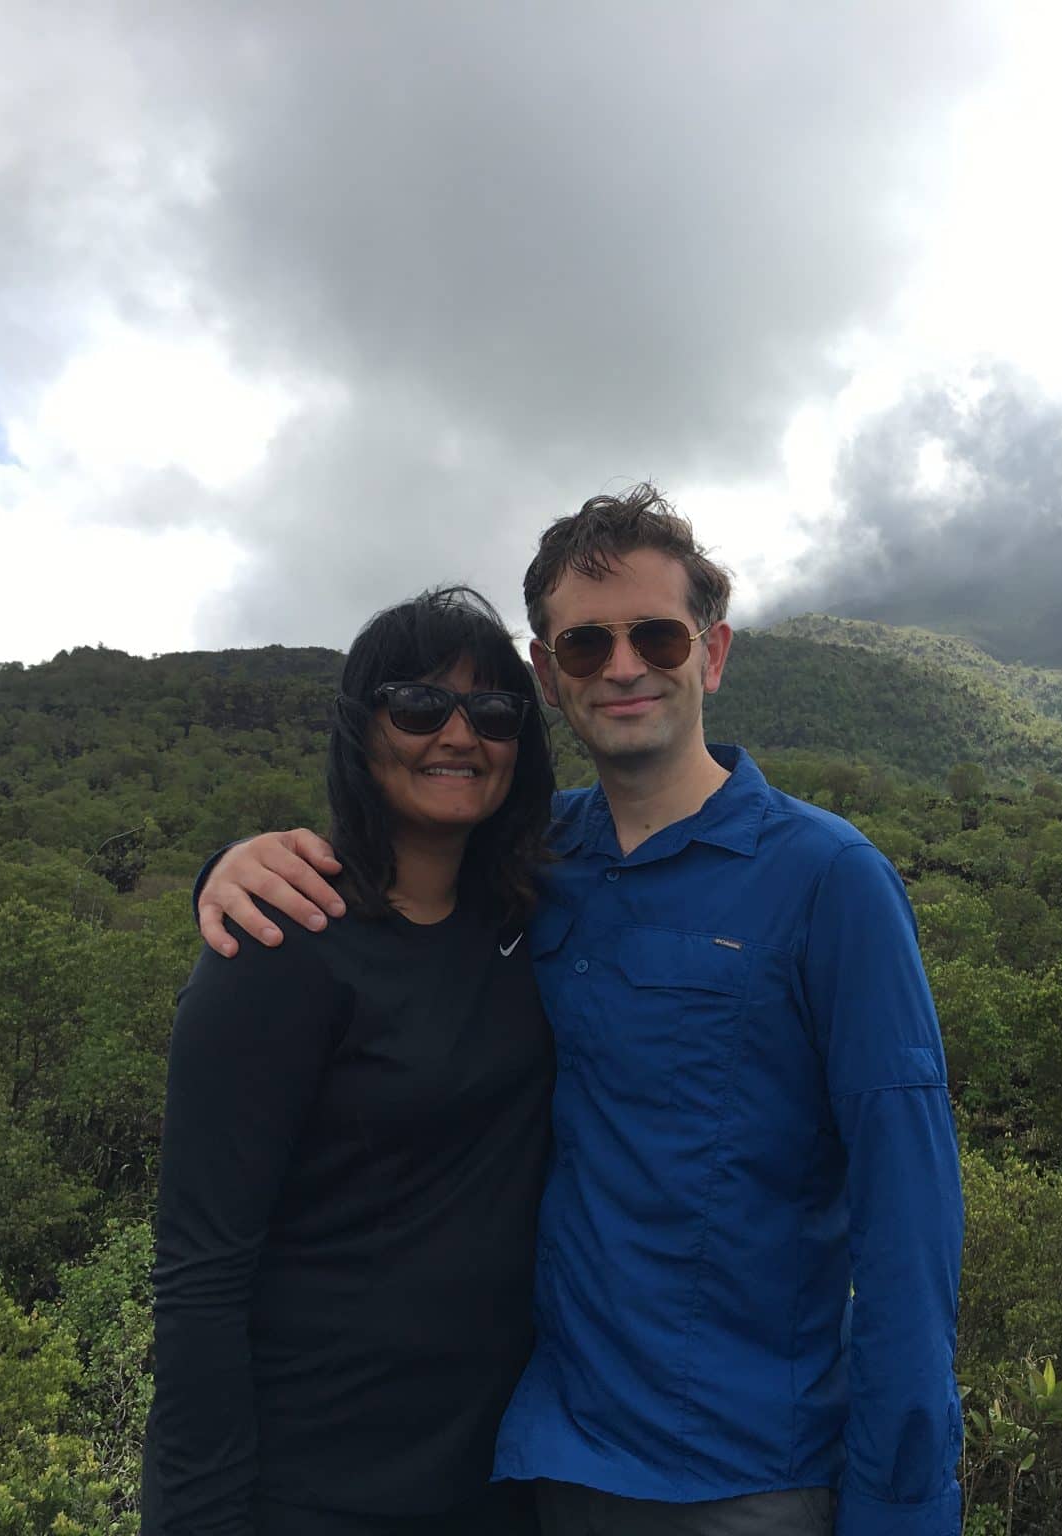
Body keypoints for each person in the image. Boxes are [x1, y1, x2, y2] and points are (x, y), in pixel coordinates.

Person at [197, 487, 966, 1535]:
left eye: (657, 636)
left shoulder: (829, 880)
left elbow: (907, 1224)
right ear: (549, 674)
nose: (623, 666)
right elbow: (387, 884)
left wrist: (902, 1508)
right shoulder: (531, 863)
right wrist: (231, 866)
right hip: (537, 1461)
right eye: (585, 644)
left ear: (712, 654)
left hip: (739, 1479)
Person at [145, 586, 556, 1536]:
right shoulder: (281, 945)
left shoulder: (532, 915)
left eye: (495, 712)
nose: (460, 735)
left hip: (501, 1478)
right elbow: (201, 1271)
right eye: (419, 705)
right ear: (359, 730)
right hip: (314, 1484)